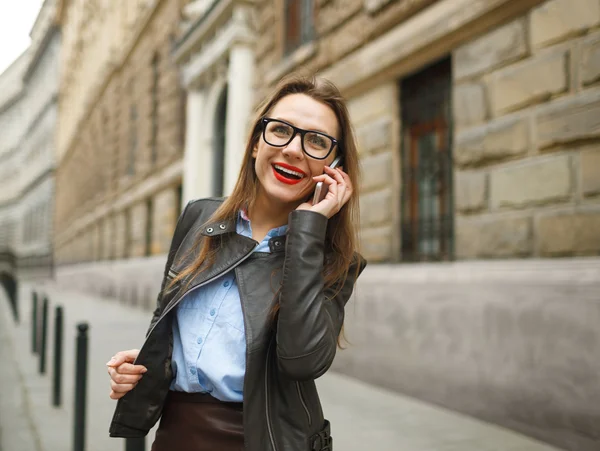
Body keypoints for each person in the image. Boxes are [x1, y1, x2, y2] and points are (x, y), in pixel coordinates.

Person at [106, 74, 367, 451]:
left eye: (316, 141)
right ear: (256, 143)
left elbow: (302, 360)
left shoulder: (333, 262)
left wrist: (310, 227)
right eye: (280, 130)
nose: (294, 150)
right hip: (175, 436)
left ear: (334, 166)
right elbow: (165, 323)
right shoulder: (199, 218)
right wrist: (149, 363)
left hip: (263, 440)